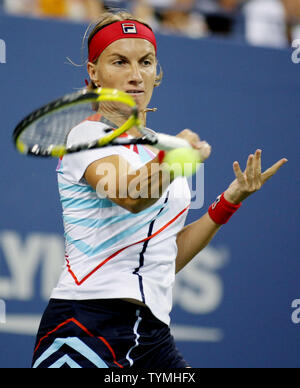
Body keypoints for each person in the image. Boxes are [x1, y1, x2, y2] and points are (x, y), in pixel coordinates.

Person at [31, 10, 287, 369]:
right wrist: (173, 160)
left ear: (157, 71)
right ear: (93, 71)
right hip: (86, 326)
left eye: (146, 62)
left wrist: (228, 202)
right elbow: (130, 195)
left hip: (151, 335)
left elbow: (166, 258)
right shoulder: (86, 136)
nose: (136, 76)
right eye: (120, 62)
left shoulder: (160, 147)